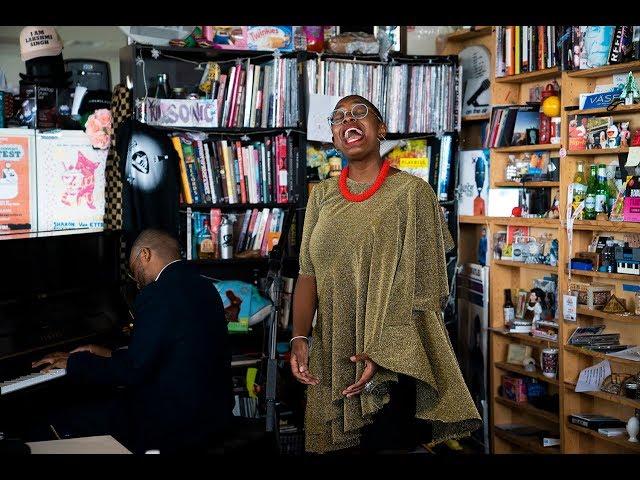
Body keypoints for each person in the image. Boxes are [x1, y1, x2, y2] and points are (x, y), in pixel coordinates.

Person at [290, 95, 482, 454]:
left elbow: (426, 289)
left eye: (360, 113)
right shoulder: (322, 197)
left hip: (391, 361)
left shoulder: (413, 194)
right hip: (332, 356)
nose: (349, 120)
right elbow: (307, 275)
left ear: (381, 129)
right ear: (333, 138)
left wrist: (383, 355)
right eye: (339, 117)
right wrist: (299, 337)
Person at [32, 228, 233, 454]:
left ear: (145, 255)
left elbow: (133, 370)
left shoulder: (157, 293)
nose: (135, 279)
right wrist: (106, 353)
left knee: (55, 419)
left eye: (134, 269)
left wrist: (74, 363)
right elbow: (166, 353)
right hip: (213, 415)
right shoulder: (204, 287)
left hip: (177, 422)